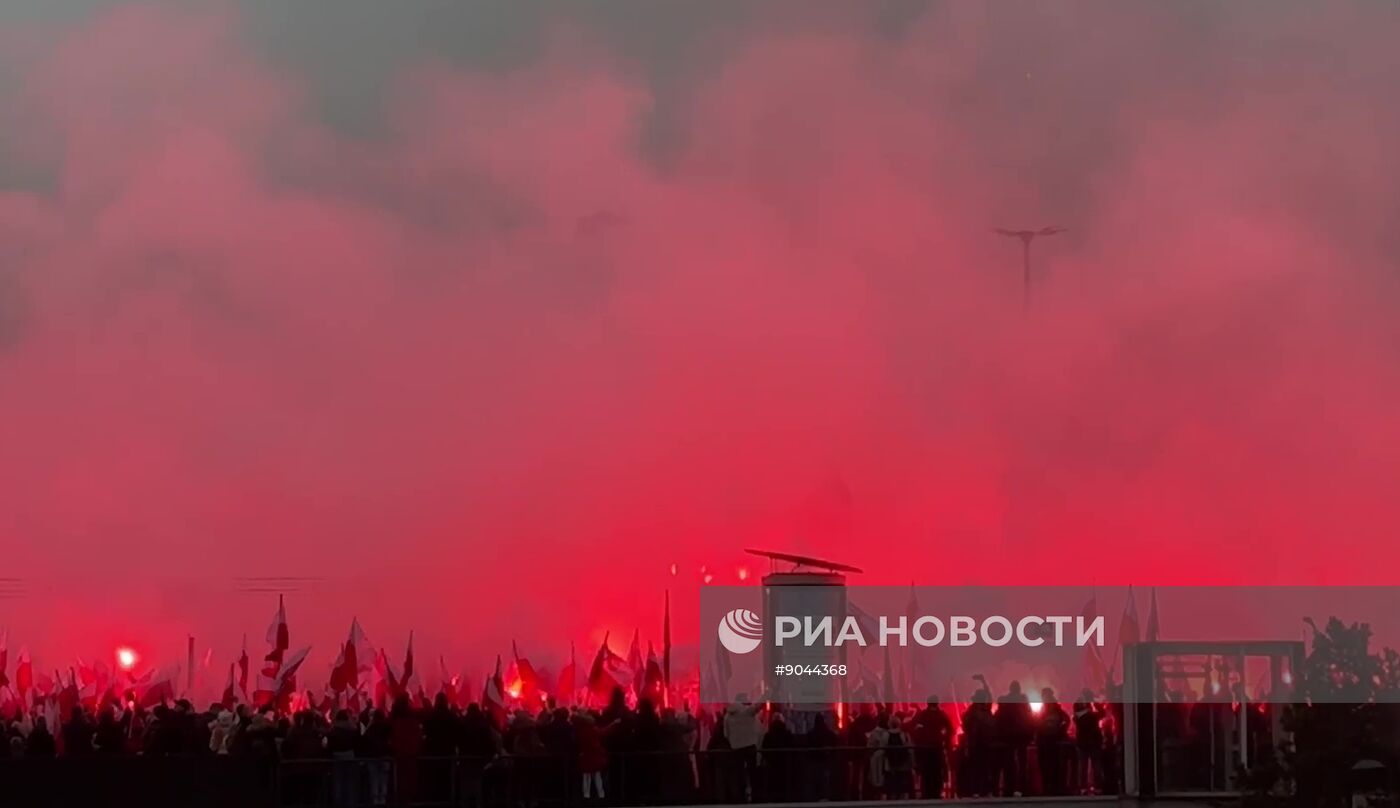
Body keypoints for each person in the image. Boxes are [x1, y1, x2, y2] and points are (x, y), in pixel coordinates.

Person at [996, 681, 1033, 796]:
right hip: (1020, 736)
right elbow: (1029, 716)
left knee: (1010, 764)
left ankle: (1010, 788)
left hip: (1010, 737)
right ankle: (1023, 788)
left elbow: (999, 718)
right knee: (1021, 764)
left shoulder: (1006, 702)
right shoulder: (1022, 701)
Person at [912, 697, 952, 799]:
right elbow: (950, 729)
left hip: (925, 748)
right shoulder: (941, 715)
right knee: (937, 771)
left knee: (926, 771)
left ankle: (926, 793)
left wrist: (919, 741)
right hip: (937, 747)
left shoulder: (922, 715)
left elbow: (916, 729)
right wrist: (944, 739)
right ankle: (937, 792)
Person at [724, 694, 762, 801]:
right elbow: (759, 706)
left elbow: (726, 734)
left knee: (738, 774)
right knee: (753, 772)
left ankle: (740, 797)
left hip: (735, 747)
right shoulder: (747, 711)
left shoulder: (728, 715)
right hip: (750, 746)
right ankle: (755, 796)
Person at [1036, 688, 1070, 795]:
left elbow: (1066, 720)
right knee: (1046, 765)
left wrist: (1061, 730)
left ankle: (1052, 787)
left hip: (1051, 741)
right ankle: (1049, 786)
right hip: (1045, 740)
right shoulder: (1048, 709)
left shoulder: (1055, 709)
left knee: (1051, 765)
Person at [327, 709, 361, 808]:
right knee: (350, 782)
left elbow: (330, 746)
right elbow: (357, 744)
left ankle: (338, 803)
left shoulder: (333, 731)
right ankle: (350, 803)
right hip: (350, 756)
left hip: (336, 757)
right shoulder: (352, 730)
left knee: (338, 782)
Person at [1073, 689, 1104, 795]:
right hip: (1093, 741)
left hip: (1083, 742)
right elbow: (1102, 714)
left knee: (1083, 766)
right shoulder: (1091, 713)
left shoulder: (1079, 708)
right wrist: (1094, 703)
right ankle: (1097, 788)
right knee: (1095, 765)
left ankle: (1083, 788)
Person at [575, 709, 607, 802]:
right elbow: (603, 732)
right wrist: (614, 724)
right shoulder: (591, 731)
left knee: (587, 777)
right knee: (597, 777)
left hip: (586, 758)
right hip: (593, 757)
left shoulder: (580, 731)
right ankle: (600, 795)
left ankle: (586, 796)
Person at [884, 716, 915, 799]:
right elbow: (909, 749)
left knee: (892, 787)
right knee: (902, 787)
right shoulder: (904, 734)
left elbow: (882, 749)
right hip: (903, 766)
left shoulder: (885, 735)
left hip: (890, 766)